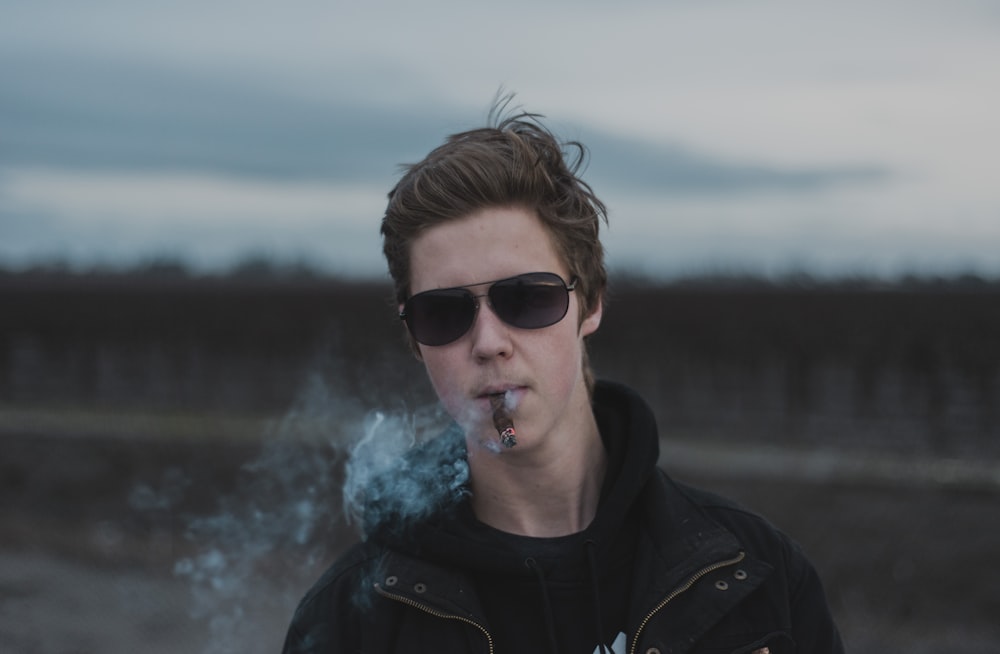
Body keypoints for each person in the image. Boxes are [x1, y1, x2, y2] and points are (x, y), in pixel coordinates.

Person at [282, 100, 844, 654]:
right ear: (414, 338)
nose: (488, 343)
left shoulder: (758, 578)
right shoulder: (349, 623)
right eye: (443, 313)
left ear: (591, 302)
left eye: (526, 297)